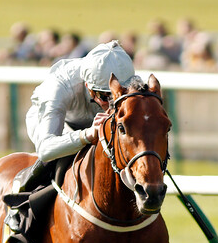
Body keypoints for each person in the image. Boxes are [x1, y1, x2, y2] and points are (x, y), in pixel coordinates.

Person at [15, 40, 135, 192]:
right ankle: (24, 195)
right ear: (88, 87)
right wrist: (87, 134)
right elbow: (46, 149)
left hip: (92, 122)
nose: (111, 106)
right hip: (60, 125)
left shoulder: (131, 83)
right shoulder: (59, 86)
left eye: (120, 96)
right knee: (58, 159)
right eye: (105, 96)